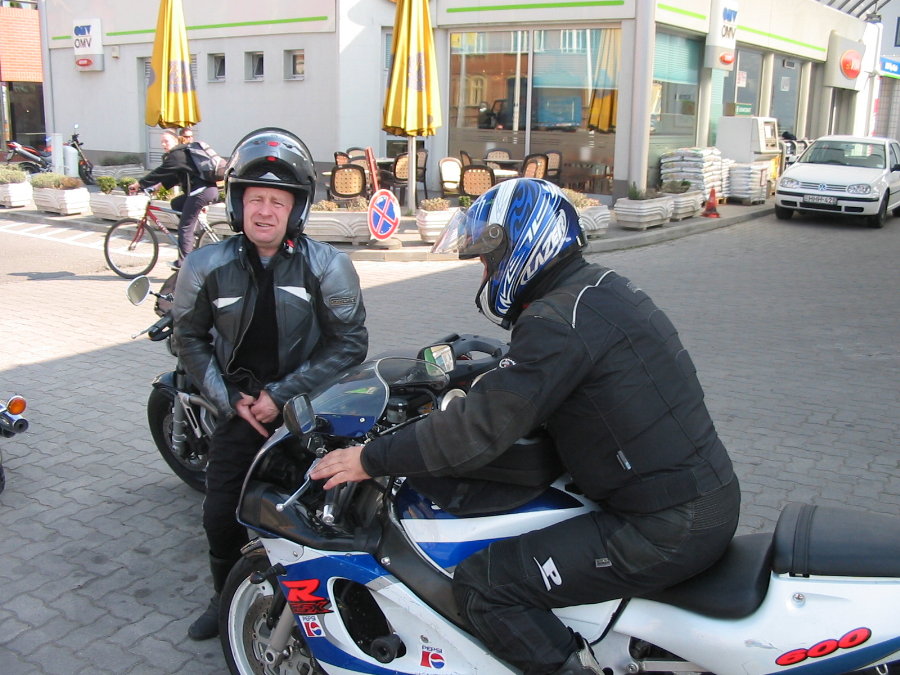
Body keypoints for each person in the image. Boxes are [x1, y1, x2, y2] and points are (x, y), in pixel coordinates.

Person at [310, 178, 740, 674]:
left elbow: (477, 432)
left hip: (666, 525)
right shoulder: (595, 290)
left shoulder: (556, 321)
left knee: (487, 586)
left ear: (522, 247)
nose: (485, 272)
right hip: (695, 497)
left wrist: (369, 458)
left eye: (487, 261)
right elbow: (547, 378)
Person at [172, 127, 368, 641]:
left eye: (277, 201)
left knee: (313, 515)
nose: (265, 211)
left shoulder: (328, 265)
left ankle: (320, 612)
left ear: (295, 209)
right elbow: (187, 337)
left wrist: (280, 396)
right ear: (237, 203)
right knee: (221, 515)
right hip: (238, 410)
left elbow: (350, 344)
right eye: (255, 198)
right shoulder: (205, 264)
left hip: (311, 410)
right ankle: (225, 597)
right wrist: (228, 399)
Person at [130, 130, 219, 266]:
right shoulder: (182, 154)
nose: (163, 144)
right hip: (206, 191)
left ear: (176, 140)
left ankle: (184, 264)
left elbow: (160, 172)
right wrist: (156, 188)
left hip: (201, 192)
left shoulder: (177, 155)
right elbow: (172, 177)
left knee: (185, 227)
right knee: (176, 203)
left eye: (166, 141)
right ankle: (194, 235)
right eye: (162, 142)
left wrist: (139, 184)